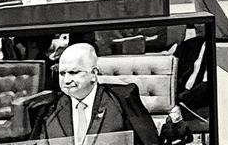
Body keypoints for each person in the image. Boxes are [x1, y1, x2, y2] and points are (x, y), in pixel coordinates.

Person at [30, 43, 159, 145]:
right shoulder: (49, 109)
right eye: (62, 73)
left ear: (94, 73)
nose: (67, 80)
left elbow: (148, 141)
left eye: (74, 72)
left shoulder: (122, 100)